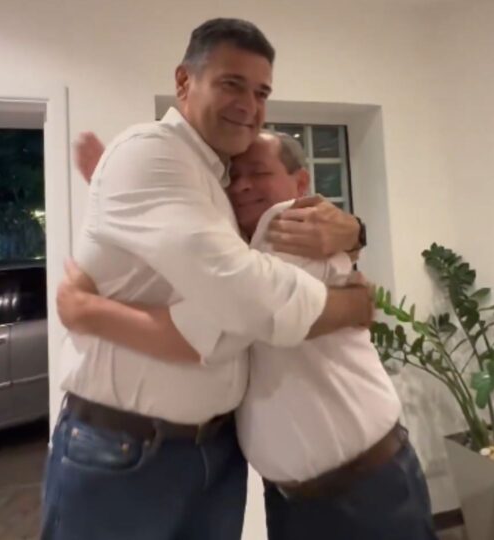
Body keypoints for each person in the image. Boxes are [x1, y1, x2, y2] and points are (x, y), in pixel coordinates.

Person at [41, 18, 371, 540]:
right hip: (126, 451)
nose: (249, 104)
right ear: (183, 81)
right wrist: (353, 306)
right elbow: (248, 302)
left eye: (261, 92)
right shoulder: (155, 152)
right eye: (231, 84)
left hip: (214, 454)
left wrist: (354, 232)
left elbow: (227, 302)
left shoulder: (213, 180)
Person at [60, 131, 438, 540]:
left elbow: (210, 329)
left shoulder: (293, 229)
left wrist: (88, 312)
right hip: (293, 501)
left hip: (363, 492)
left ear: (300, 183)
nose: (241, 185)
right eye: (233, 176)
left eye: (259, 172)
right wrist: (128, 187)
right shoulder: (239, 251)